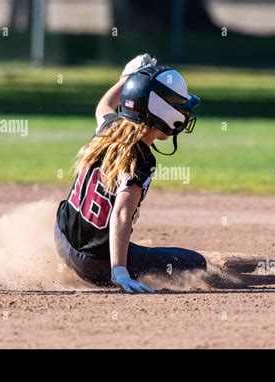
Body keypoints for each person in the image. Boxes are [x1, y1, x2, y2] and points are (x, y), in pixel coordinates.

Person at [54, 54, 206, 293]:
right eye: (179, 106)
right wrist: (119, 271)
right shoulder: (142, 159)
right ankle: (117, 264)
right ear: (164, 113)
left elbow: (102, 105)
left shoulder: (109, 127)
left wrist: (124, 79)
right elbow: (122, 214)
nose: (184, 111)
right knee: (194, 263)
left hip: (62, 238)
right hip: (93, 265)